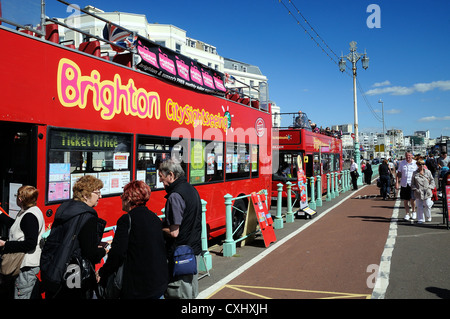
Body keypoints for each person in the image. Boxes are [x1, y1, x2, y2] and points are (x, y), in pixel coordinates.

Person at [97, 180, 168, 299]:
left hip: (138, 287)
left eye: (122, 196)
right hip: (158, 283)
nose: (121, 199)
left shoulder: (126, 220)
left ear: (128, 199)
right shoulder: (154, 218)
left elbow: (117, 253)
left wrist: (103, 272)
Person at [42, 175, 107, 299]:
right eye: (97, 192)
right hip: (75, 272)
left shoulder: (65, 209)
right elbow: (90, 253)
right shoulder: (88, 217)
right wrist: (103, 251)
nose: (100, 196)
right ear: (85, 195)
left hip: (57, 266)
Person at [159, 159, 202, 299]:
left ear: (171, 175)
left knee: (179, 293)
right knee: (192, 292)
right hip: (193, 251)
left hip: (180, 255)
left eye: (162, 178)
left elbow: (174, 232)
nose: (161, 182)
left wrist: (158, 227)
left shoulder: (174, 196)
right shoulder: (191, 189)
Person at [0, 186, 45, 299]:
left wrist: (5, 244)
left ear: (20, 199)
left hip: (26, 266)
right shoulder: (30, 211)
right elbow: (17, 225)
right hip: (24, 264)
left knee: (22, 295)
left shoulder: (29, 216)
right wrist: (1, 214)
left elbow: (30, 243)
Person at [411, 159, 435, 224]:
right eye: (420, 164)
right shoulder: (414, 173)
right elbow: (412, 183)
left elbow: (432, 181)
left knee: (427, 204)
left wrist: (430, 187)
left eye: (423, 164)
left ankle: (428, 216)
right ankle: (421, 219)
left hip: (427, 191)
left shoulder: (428, 172)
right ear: (417, 165)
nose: (422, 166)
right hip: (418, 192)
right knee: (419, 206)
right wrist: (415, 189)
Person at [396, 152, 418, 221]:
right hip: (404, 183)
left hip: (412, 184)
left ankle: (414, 211)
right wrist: (397, 183)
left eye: (409, 156)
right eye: (406, 156)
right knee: (405, 200)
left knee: (412, 199)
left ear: (411, 156)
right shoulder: (402, 163)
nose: (408, 157)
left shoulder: (415, 163)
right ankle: (407, 213)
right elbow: (399, 174)